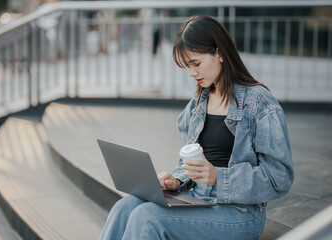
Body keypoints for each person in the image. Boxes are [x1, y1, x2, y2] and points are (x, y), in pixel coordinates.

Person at [99, 15, 294, 240]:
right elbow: (190, 164)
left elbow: (279, 179)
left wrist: (219, 177)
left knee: (148, 217)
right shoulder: (199, 102)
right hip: (198, 199)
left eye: (196, 63)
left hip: (240, 213)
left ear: (219, 53)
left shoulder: (260, 103)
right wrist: (178, 179)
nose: (192, 73)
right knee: (125, 207)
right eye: (187, 66)